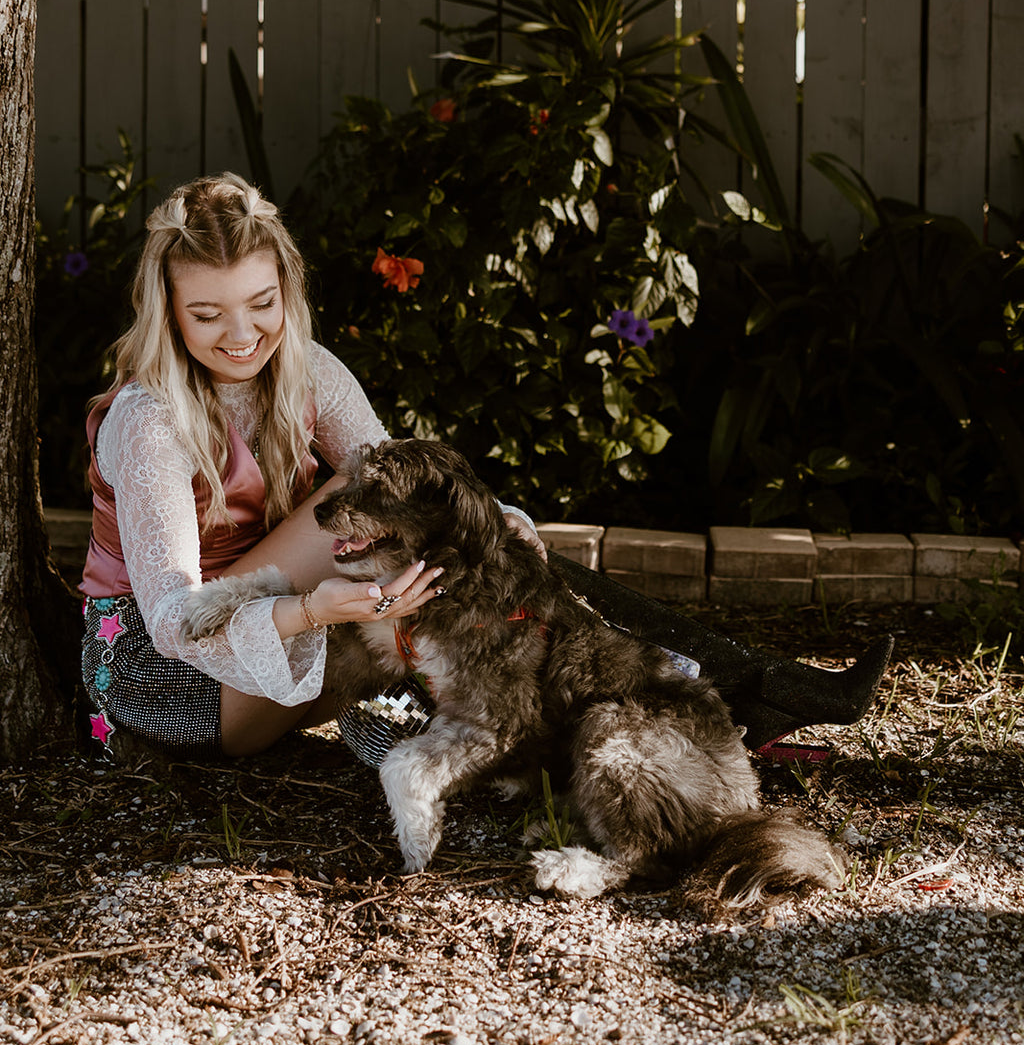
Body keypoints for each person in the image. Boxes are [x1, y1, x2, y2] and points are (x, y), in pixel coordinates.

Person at [80, 172, 891, 762]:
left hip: (292, 627)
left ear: (286, 288)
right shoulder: (149, 418)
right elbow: (177, 620)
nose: (242, 334)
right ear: (168, 311)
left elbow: (418, 494)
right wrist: (317, 614)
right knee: (364, 507)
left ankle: (730, 702)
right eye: (208, 313)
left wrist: (498, 529)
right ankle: (702, 697)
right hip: (165, 674)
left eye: (262, 303)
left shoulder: (305, 368)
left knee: (462, 595)